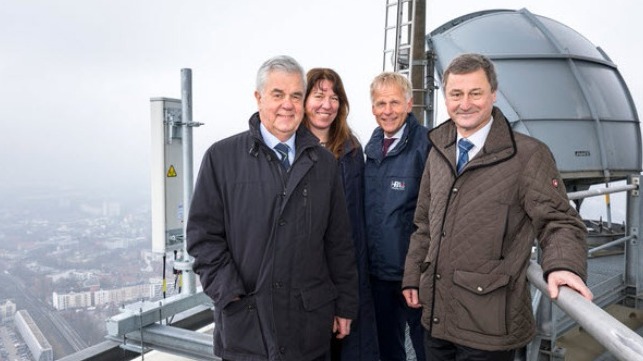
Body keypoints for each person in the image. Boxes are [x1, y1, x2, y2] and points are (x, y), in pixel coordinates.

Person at [402, 53, 593, 361]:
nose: (465, 103)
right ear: (445, 97)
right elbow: (424, 223)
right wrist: (413, 276)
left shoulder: (529, 156)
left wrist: (563, 266)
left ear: (493, 93)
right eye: (456, 94)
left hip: (489, 329)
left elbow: (559, 221)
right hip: (436, 317)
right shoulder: (438, 151)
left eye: (475, 93)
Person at [186, 55, 358, 361]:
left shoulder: (325, 165)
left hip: (308, 327)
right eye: (277, 94)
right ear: (258, 97)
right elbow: (203, 238)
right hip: (247, 327)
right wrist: (231, 294)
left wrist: (344, 305)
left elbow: (339, 243)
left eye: (295, 96)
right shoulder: (222, 158)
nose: (287, 105)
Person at [303, 68, 379, 361]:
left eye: (334, 97)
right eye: (319, 95)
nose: (327, 104)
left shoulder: (350, 149)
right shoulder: (290, 150)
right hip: (307, 278)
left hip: (346, 269)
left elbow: (357, 224)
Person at [364, 72, 430, 361]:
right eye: (381, 104)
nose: (387, 111)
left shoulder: (428, 144)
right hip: (378, 275)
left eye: (394, 102)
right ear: (372, 108)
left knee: (428, 349)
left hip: (414, 275)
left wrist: (418, 272)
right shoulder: (370, 148)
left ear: (409, 103)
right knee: (388, 351)